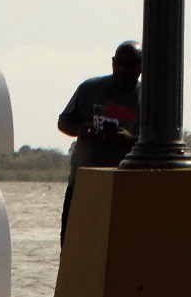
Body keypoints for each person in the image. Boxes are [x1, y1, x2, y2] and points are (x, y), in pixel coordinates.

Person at [57, 41, 141, 242]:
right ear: (112, 62)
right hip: (82, 185)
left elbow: (158, 143)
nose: (123, 69)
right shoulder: (89, 88)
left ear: (141, 67)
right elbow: (63, 122)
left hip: (126, 188)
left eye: (130, 65)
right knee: (72, 245)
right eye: (119, 63)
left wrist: (129, 139)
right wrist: (81, 129)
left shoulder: (149, 98)